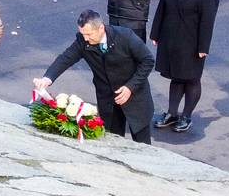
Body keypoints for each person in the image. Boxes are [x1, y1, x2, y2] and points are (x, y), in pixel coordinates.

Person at [36, 10, 154, 144]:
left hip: (136, 98)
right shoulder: (83, 41)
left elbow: (147, 60)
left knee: (143, 144)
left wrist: (130, 87)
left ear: (101, 29)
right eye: (83, 34)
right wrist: (47, 79)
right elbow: (66, 58)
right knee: (113, 143)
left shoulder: (125, 36)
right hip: (109, 101)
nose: (85, 38)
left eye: (89, 34)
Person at [150, 0, 219, 131]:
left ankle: (186, 116)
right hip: (172, 40)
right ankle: (172, 113)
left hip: (192, 43)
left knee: (191, 79)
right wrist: (155, 33)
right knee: (177, 76)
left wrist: (203, 47)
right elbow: (162, 8)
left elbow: (207, 22)